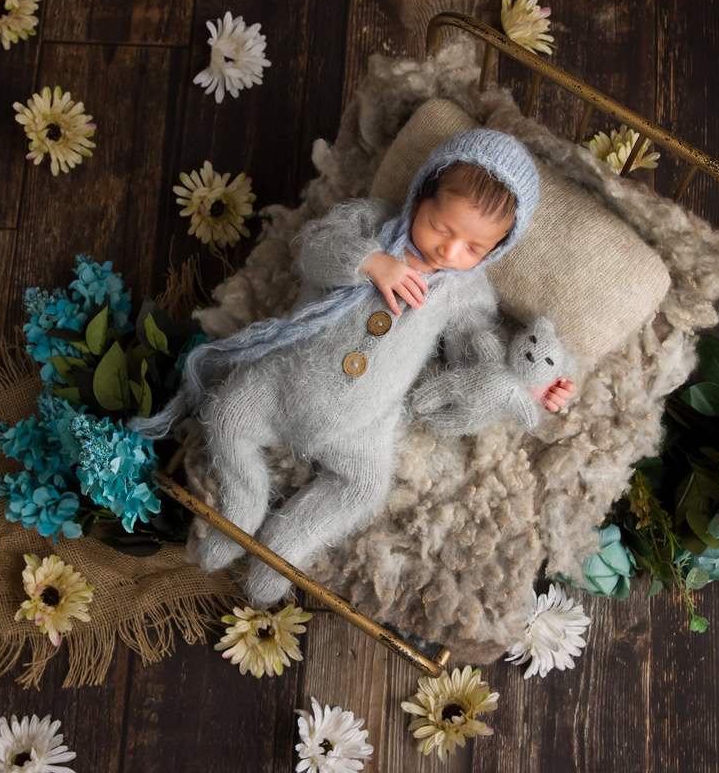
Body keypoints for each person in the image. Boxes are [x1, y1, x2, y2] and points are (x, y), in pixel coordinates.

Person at [130, 129, 575, 605]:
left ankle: (282, 546)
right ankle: (241, 510)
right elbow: (314, 248)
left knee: (364, 487)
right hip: (287, 378)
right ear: (420, 193)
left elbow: (475, 352)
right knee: (227, 416)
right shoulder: (371, 223)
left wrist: (526, 386)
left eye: (473, 249)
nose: (449, 252)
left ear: (496, 251)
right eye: (442, 228)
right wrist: (368, 262)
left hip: (362, 422)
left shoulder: (465, 291)